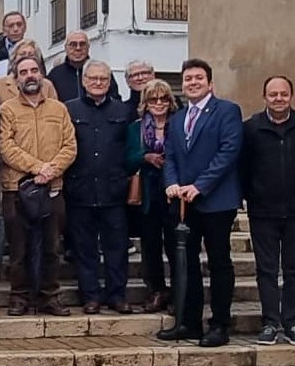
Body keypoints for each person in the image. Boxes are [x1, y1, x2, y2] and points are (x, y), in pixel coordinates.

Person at [158, 59, 243, 348]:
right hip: (184, 203)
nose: (192, 82)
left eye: (198, 78)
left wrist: (201, 186)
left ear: (209, 83)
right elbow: (170, 155)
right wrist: (171, 183)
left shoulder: (227, 111)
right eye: (188, 78)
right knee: (185, 263)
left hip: (217, 201)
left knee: (219, 262)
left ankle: (220, 324)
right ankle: (189, 322)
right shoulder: (178, 118)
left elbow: (228, 152)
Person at [239, 75, 295, 347]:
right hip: (263, 211)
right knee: (266, 270)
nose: (278, 99)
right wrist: (250, 195)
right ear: (264, 97)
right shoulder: (251, 128)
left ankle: (292, 322)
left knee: (294, 269)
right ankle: (270, 323)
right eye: (273, 94)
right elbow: (242, 166)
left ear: (291, 96)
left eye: (283, 94)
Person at [0, 56, 76, 317]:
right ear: (16, 78)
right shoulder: (7, 109)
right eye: (23, 72)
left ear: (42, 75)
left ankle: (49, 297)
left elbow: (70, 146)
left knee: (52, 247)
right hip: (17, 189)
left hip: (52, 188)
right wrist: (37, 168)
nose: (29, 75)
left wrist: (51, 169)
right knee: (19, 249)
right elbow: (6, 147)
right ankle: (19, 297)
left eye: (34, 70)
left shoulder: (59, 109)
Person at [64, 60, 134, 315]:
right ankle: (90, 296)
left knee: (117, 248)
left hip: (114, 191)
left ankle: (117, 295)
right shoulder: (68, 110)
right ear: (84, 81)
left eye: (103, 79)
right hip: (79, 190)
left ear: (109, 81)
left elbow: (130, 148)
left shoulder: (123, 111)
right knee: (84, 249)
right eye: (92, 78)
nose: (97, 83)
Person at [125, 80, 179, 315]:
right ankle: (156, 289)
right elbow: (126, 160)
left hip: (173, 192)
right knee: (150, 246)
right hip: (147, 192)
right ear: (145, 103)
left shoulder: (179, 125)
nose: (158, 104)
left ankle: (179, 292)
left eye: (163, 99)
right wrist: (145, 157)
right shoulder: (135, 128)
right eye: (153, 99)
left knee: (176, 245)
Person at [47, 32, 120, 103]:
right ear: (66, 48)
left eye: (82, 44)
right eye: (73, 45)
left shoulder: (101, 71)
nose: (78, 48)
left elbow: (114, 99)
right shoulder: (55, 75)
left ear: (88, 47)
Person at [0, 39, 58, 103]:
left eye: (31, 55)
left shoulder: (47, 85)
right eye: (22, 54)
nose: (26, 58)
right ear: (14, 58)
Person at [0, 11, 27, 75]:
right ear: (4, 29)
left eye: (19, 25)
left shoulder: (32, 49)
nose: (15, 29)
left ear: (25, 27)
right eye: (11, 26)